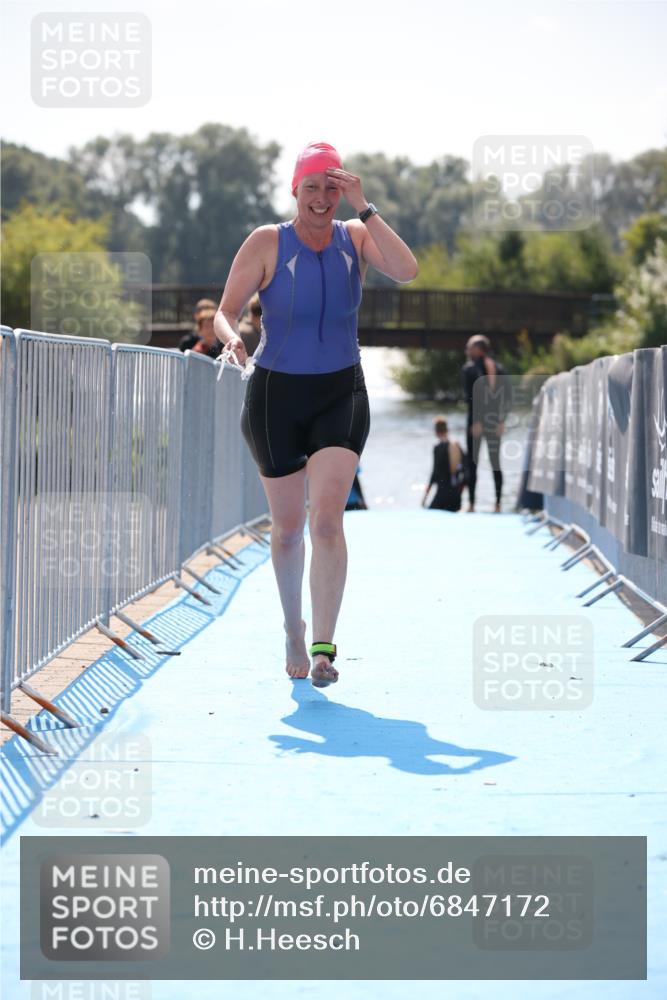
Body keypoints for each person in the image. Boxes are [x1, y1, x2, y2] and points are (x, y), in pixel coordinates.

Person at [213, 141, 418, 687]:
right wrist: (233, 341)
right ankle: (293, 630)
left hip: (340, 392)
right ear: (294, 191)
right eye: (312, 188)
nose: (323, 199)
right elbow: (224, 313)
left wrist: (365, 204)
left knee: (328, 520)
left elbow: (406, 269)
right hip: (275, 396)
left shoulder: (356, 236)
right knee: (287, 530)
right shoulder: (266, 242)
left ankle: (325, 649)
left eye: (332, 188)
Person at [461, 335, 510, 513]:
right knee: (475, 463)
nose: (467, 350)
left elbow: (504, 397)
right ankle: (474, 504)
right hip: (483, 422)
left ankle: (496, 504)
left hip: (487, 423)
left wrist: (500, 421)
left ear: (480, 349)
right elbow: (472, 397)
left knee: (493, 462)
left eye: (470, 347)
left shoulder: (493, 369)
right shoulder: (471, 369)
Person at [421, 416, 466, 512]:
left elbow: (434, 474)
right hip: (456, 497)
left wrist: (425, 497)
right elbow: (465, 471)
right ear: (447, 430)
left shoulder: (437, 448)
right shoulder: (457, 446)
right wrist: (459, 491)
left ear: (436, 432)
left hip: (442, 496)